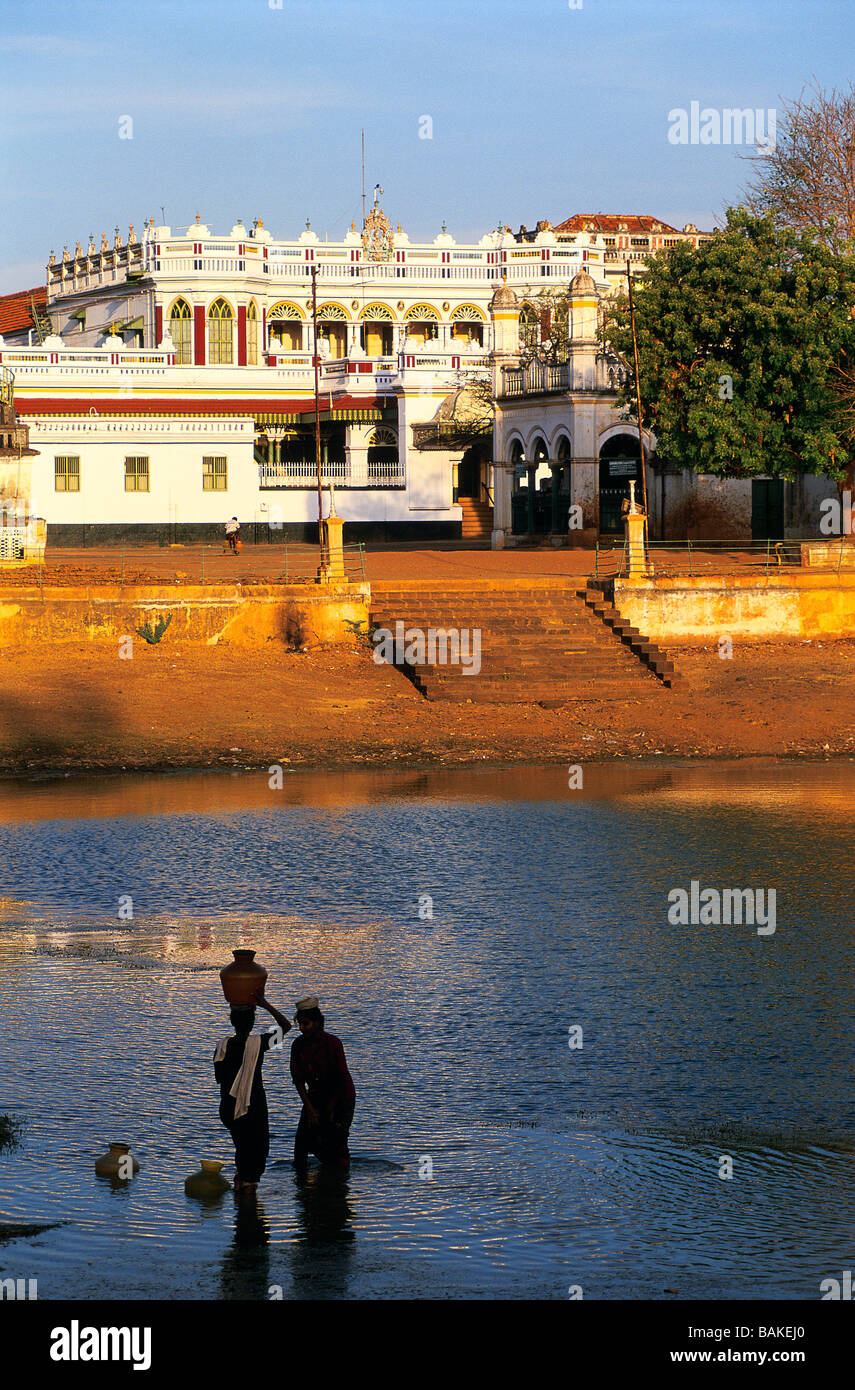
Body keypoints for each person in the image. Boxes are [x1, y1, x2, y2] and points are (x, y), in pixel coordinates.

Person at [214, 994, 290, 1192]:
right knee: (256, 1154)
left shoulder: (222, 1045)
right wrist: (265, 1003)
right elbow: (286, 1026)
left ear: (232, 1021)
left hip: (228, 1108)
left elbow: (219, 1078)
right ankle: (248, 1201)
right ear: (253, 1021)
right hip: (252, 1107)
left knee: (242, 1150)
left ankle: (241, 1192)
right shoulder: (258, 1044)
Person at [289, 997, 356, 1172]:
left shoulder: (333, 1044)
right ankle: (303, 1186)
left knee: (337, 1139)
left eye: (306, 1024)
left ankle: (339, 1182)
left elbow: (340, 1079)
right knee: (302, 1143)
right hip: (316, 1095)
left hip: (341, 1096)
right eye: (300, 1025)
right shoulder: (298, 1045)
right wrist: (310, 1109)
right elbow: (298, 1081)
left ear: (318, 1023)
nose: (302, 1029)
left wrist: (331, 1110)